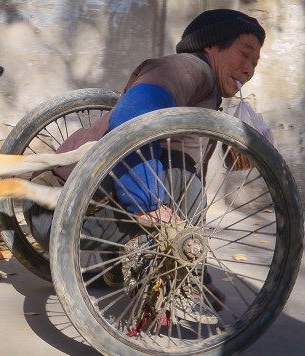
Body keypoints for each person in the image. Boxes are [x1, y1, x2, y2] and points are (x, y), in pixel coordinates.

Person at [23, 9, 265, 324]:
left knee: (179, 173)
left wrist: (199, 275)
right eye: (244, 55)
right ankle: (173, 285)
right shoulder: (189, 70)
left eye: (255, 64)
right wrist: (145, 201)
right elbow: (133, 117)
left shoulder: (207, 95)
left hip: (58, 209)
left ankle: (155, 273)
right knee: (180, 171)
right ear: (211, 46)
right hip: (57, 211)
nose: (248, 69)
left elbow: (188, 208)